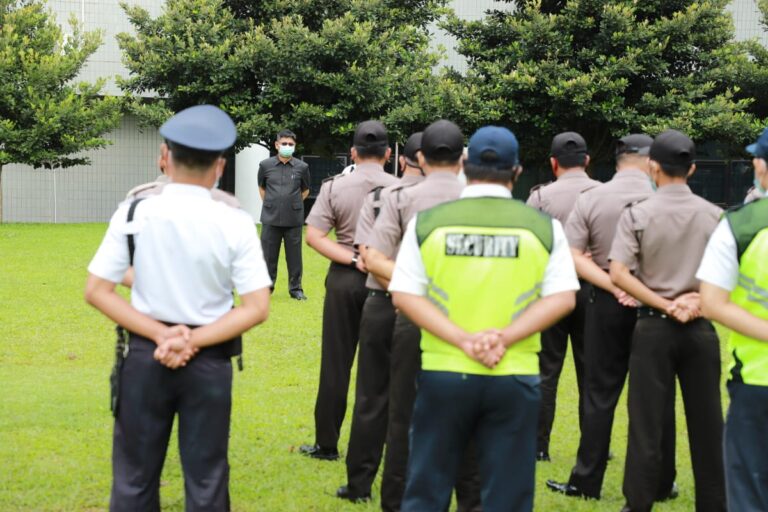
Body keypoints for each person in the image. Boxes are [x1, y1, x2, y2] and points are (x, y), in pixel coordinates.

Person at [84, 105, 272, 511]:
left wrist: (161, 334)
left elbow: (98, 289)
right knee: (207, 480)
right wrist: (193, 339)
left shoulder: (134, 211)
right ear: (220, 166)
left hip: (144, 357)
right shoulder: (234, 220)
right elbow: (257, 306)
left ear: (163, 157)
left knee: (134, 479)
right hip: (210, 360)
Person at [389, 125, 580, 511]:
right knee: (507, 495)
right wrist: (505, 338)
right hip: (513, 373)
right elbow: (562, 298)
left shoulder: (427, 224)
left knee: (427, 489)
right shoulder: (545, 228)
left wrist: (462, 341)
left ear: (464, 164)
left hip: (444, 371)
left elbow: (404, 294)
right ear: (517, 172)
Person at [547, 135, 678, 500]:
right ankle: (663, 481)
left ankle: (586, 481)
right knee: (659, 393)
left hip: (605, 302)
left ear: (617, 159)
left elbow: (572, 255)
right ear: (653, 162)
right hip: (655, 304)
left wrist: (614, 284)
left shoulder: (593, 198)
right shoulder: (663, 200)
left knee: (598, 392)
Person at [365, 120, 481, 512]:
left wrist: (416, 284)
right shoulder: (477, 199)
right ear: (463, 157)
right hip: (469, 319)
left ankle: (397, 502)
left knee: (403, 418)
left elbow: (374, 258)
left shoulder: (399, 198)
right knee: (470, 419)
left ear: (418, 157)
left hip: (413, 318)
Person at [609, 129, 725, 512]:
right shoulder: (715, 215)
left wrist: (662, 301)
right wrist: (694, 299)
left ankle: (638, 503)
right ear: (692, 169)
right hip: (699, 328)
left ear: (652, 167)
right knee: (708, 423)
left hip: (653, 327)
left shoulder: (638, 214)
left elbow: (619, 274)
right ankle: (714, 502)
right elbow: (727, 275)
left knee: (646, 423)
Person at [299, 120, 398, 461]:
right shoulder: (401, 190)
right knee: (381, 367)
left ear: (353, 152)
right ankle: (377, 444)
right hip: (385, 280)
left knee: (336, 364)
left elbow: (313, 236)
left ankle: (327, 444)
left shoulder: (334, 187)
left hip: (344, 278)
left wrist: (354, 257)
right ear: (388, 154)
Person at [336, 132, 425, 503]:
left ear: (403, 159)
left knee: (372, 395)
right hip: (430, 309)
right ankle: (410, 485)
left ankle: (359, 484)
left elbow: (365, 251)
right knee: (418, 401)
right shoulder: (456, 200)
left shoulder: (381, 197)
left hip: (380, 297)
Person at [697, 126, 768, 511]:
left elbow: (712, 302)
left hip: (756, 380)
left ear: (760, 166)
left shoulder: (739, 224)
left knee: (749, 490)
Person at [526, 131, 600, 461]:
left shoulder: (539, 197)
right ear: (587, 161)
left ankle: (538, 446)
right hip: (594, 290)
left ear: (553, 163)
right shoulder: (603, 194)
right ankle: (594, 444)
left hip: (551, 289)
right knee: (593, 372)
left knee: (545, 370)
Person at [258, 129, 311, 300]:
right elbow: (262, 187)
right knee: (268, 255)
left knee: (294, 256)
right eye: (284, 143)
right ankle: (266, 288)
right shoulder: (265, 165)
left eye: (291, 144)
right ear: (277, 145)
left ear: (294, 146)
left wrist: (291, 204)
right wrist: (272, 204)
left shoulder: (302, 167)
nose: (287, 146)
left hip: (293, 218)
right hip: (270, 217)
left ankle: (296, 289)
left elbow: (306, 190)